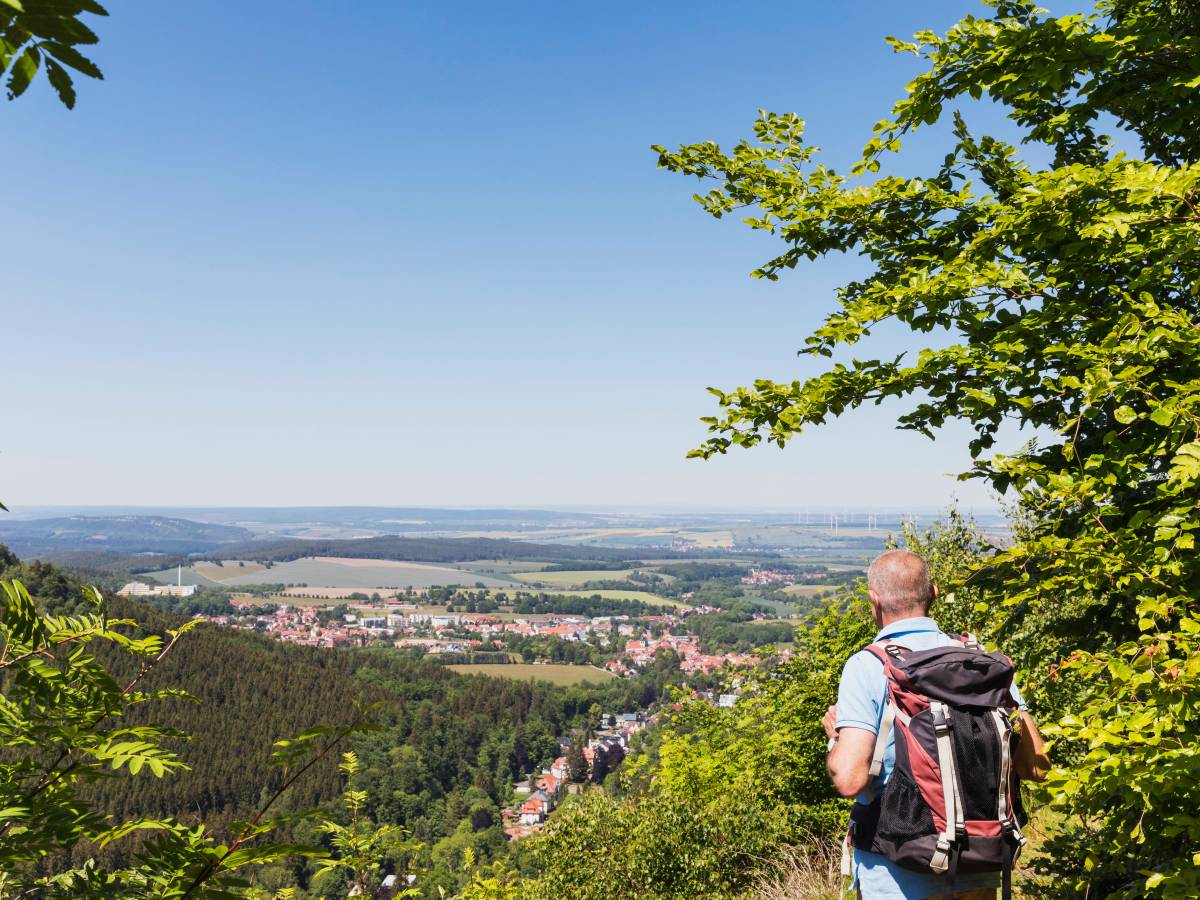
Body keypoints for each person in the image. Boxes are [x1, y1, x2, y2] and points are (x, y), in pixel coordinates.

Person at [822, 550, 1050, 900]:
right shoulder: (981, 663)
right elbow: (1036, 766)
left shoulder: (868, 666)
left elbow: (849, 779)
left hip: (898, 869)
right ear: (934, 594)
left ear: (874, 600)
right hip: (981, 863)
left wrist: (835, 738)